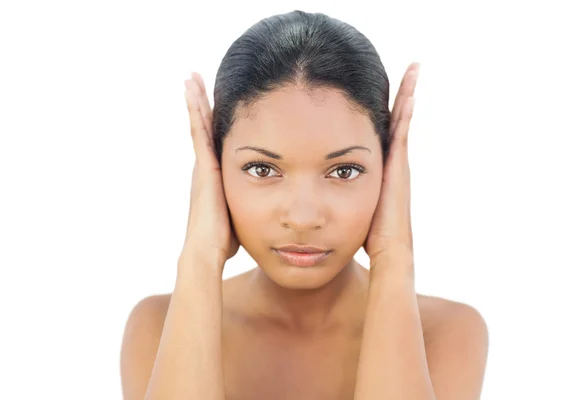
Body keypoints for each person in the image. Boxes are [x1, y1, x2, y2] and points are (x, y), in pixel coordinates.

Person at [119, 10, 489, 400]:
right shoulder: (157, 326)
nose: (302, 217)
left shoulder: (447, 332)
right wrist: (199, 256)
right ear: (214, 165)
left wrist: (394, 256)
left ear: (389, 170)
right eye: (262, 169)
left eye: (344, 171)